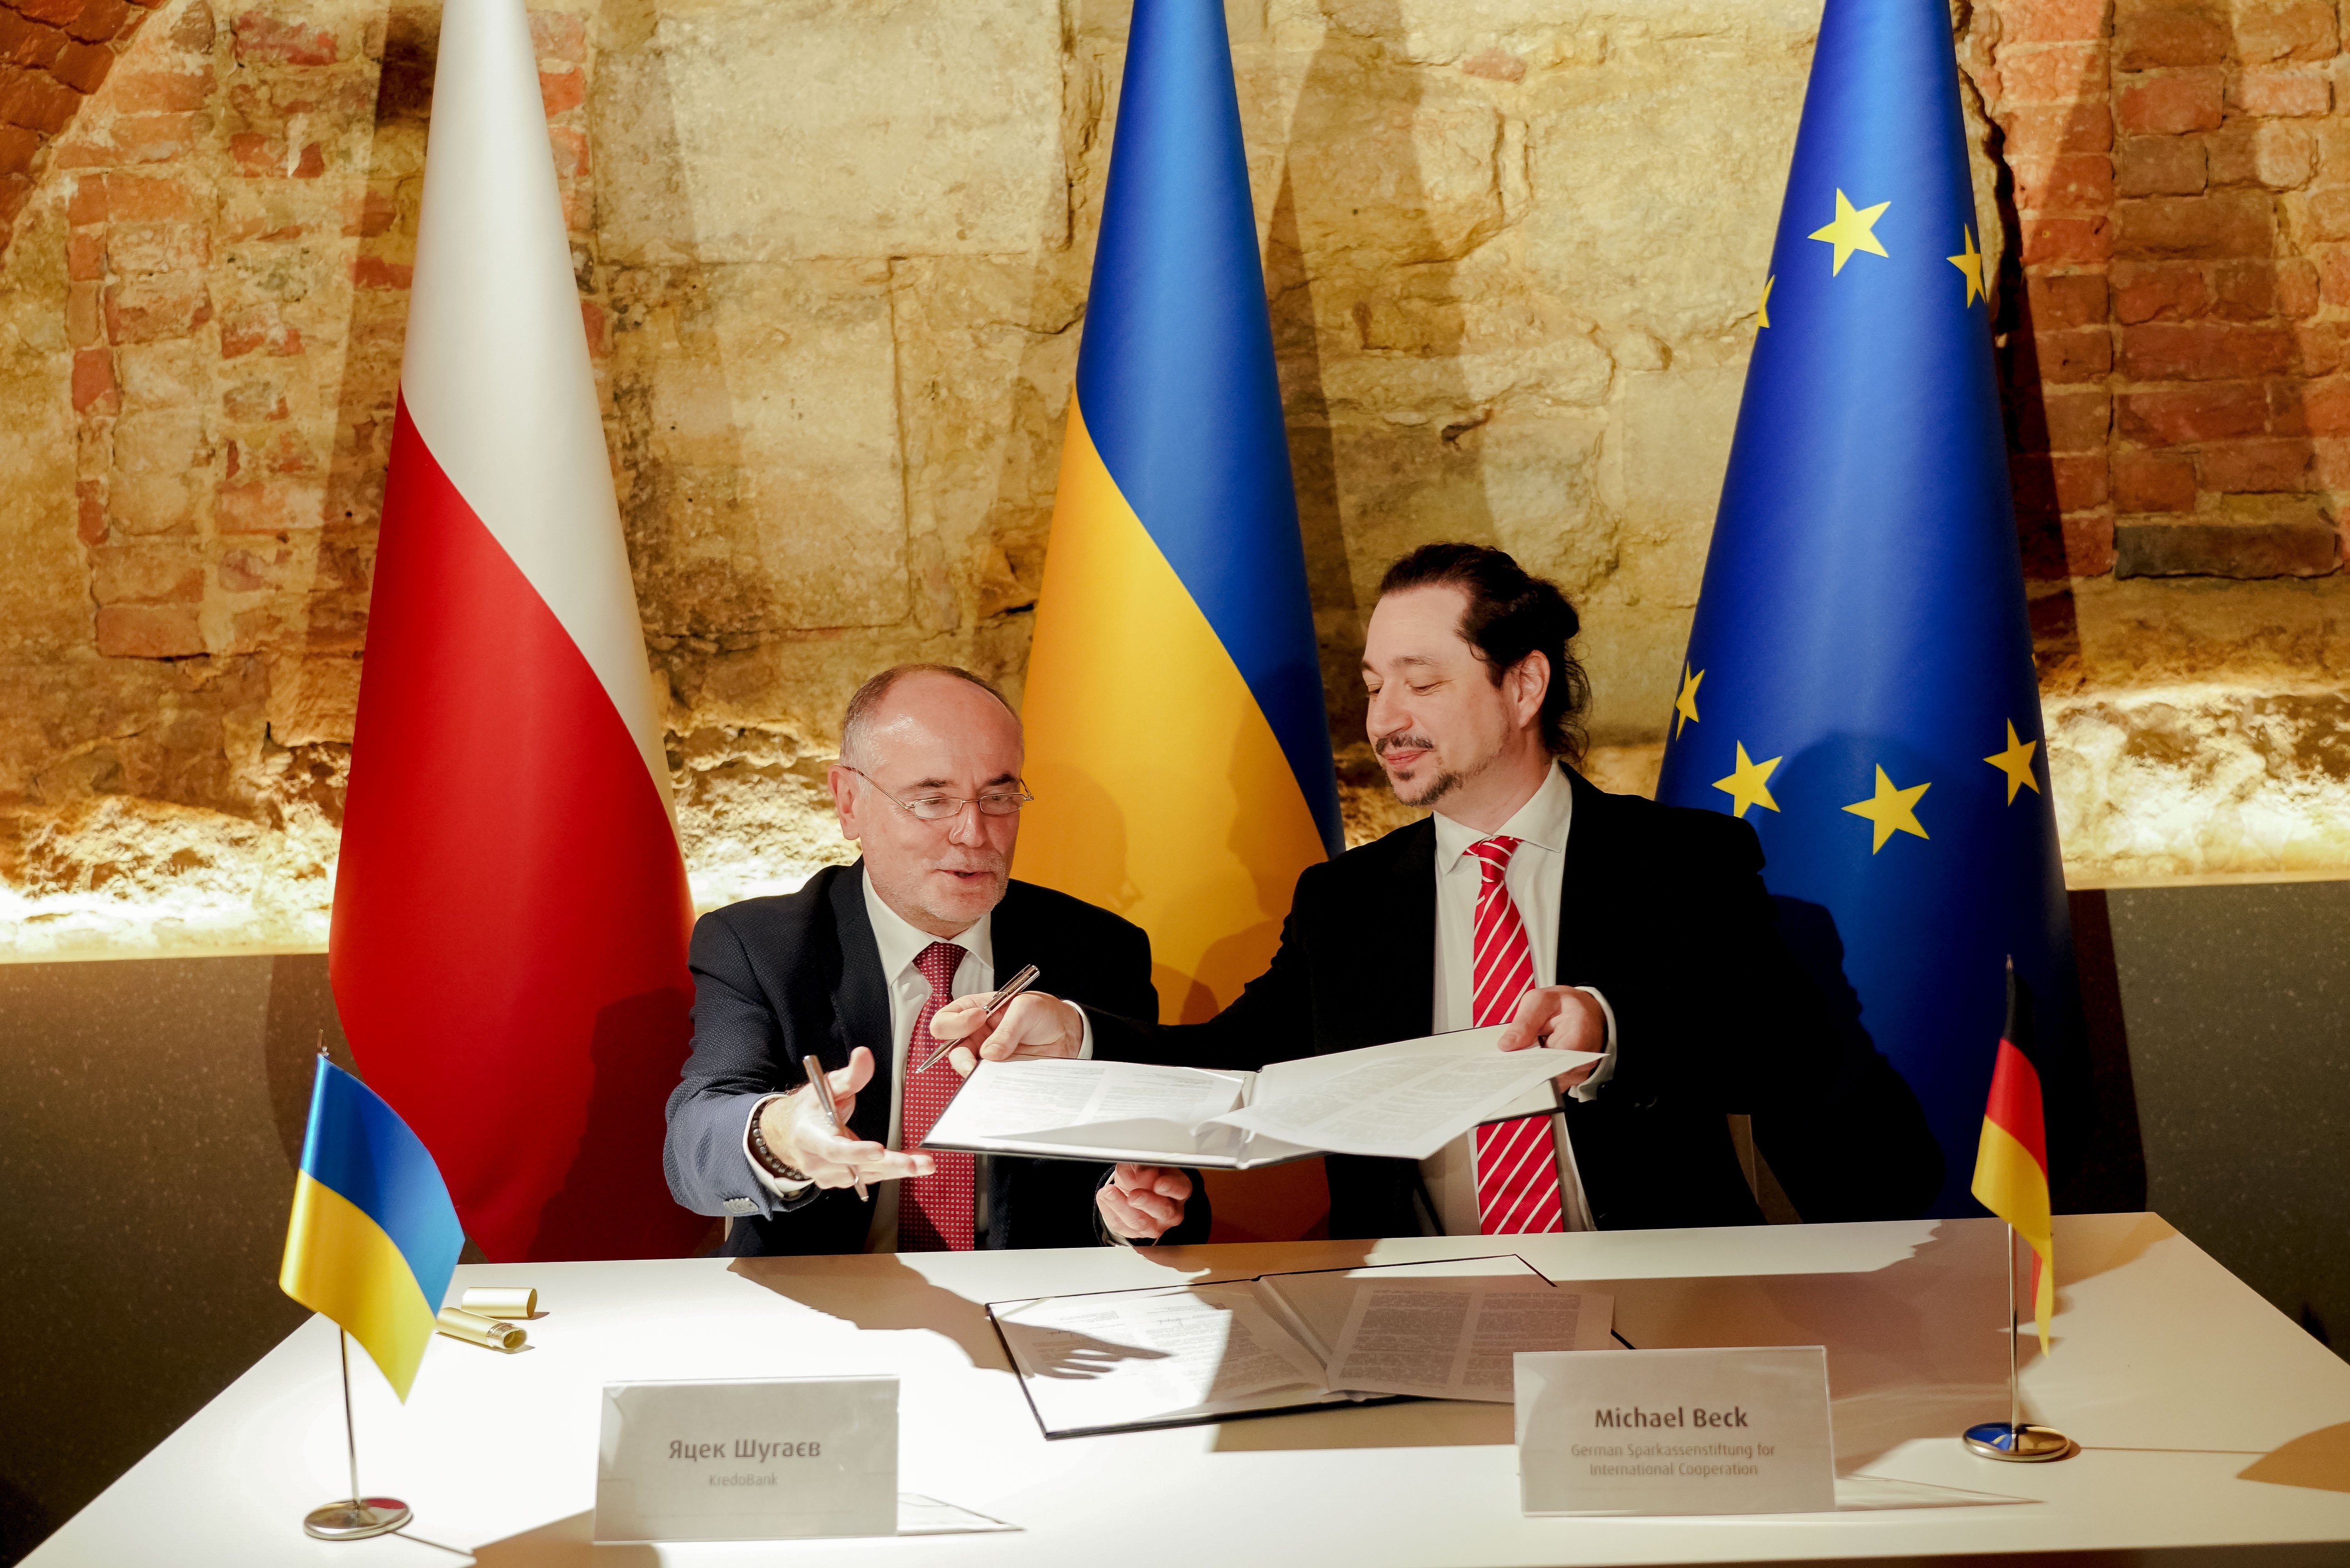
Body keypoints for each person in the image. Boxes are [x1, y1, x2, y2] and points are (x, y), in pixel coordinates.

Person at [934, 544, 1939, 1239]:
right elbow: (1236, 1061)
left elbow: (1782, 1049)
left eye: (1421, 682)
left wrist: (1606, 1029)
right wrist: (1076, 1032)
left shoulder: (1680, 860)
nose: (1384, 719)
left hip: (1652, 1297)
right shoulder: (1346, 902)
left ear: (1523, 686)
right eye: (1375, 685)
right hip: (1413, 1305)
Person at [663, 664, 1208, 1255]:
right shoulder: (759, 945)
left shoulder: (1099, 950)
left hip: (1031, 1297)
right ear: (849, 801)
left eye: (998, 798)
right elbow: (695, 1144)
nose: (973, 833)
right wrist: (783, 1135)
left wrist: (1132, 1213)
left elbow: (1165, 1181)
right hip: (827, 1294)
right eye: (931, 800)